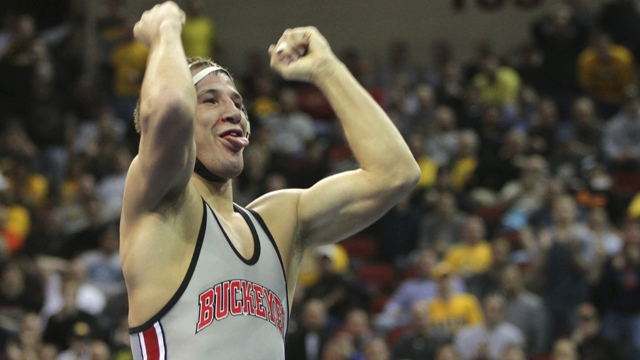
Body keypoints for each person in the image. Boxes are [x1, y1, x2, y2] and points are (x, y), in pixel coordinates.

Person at [121, 2, 420, 360]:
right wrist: (165, 29)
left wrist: (326, 69)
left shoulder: (279, 221)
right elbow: (169, 106)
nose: (233, 112)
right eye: (210, 100)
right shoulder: (159, 203)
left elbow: (396, 173)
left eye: (237, 102)